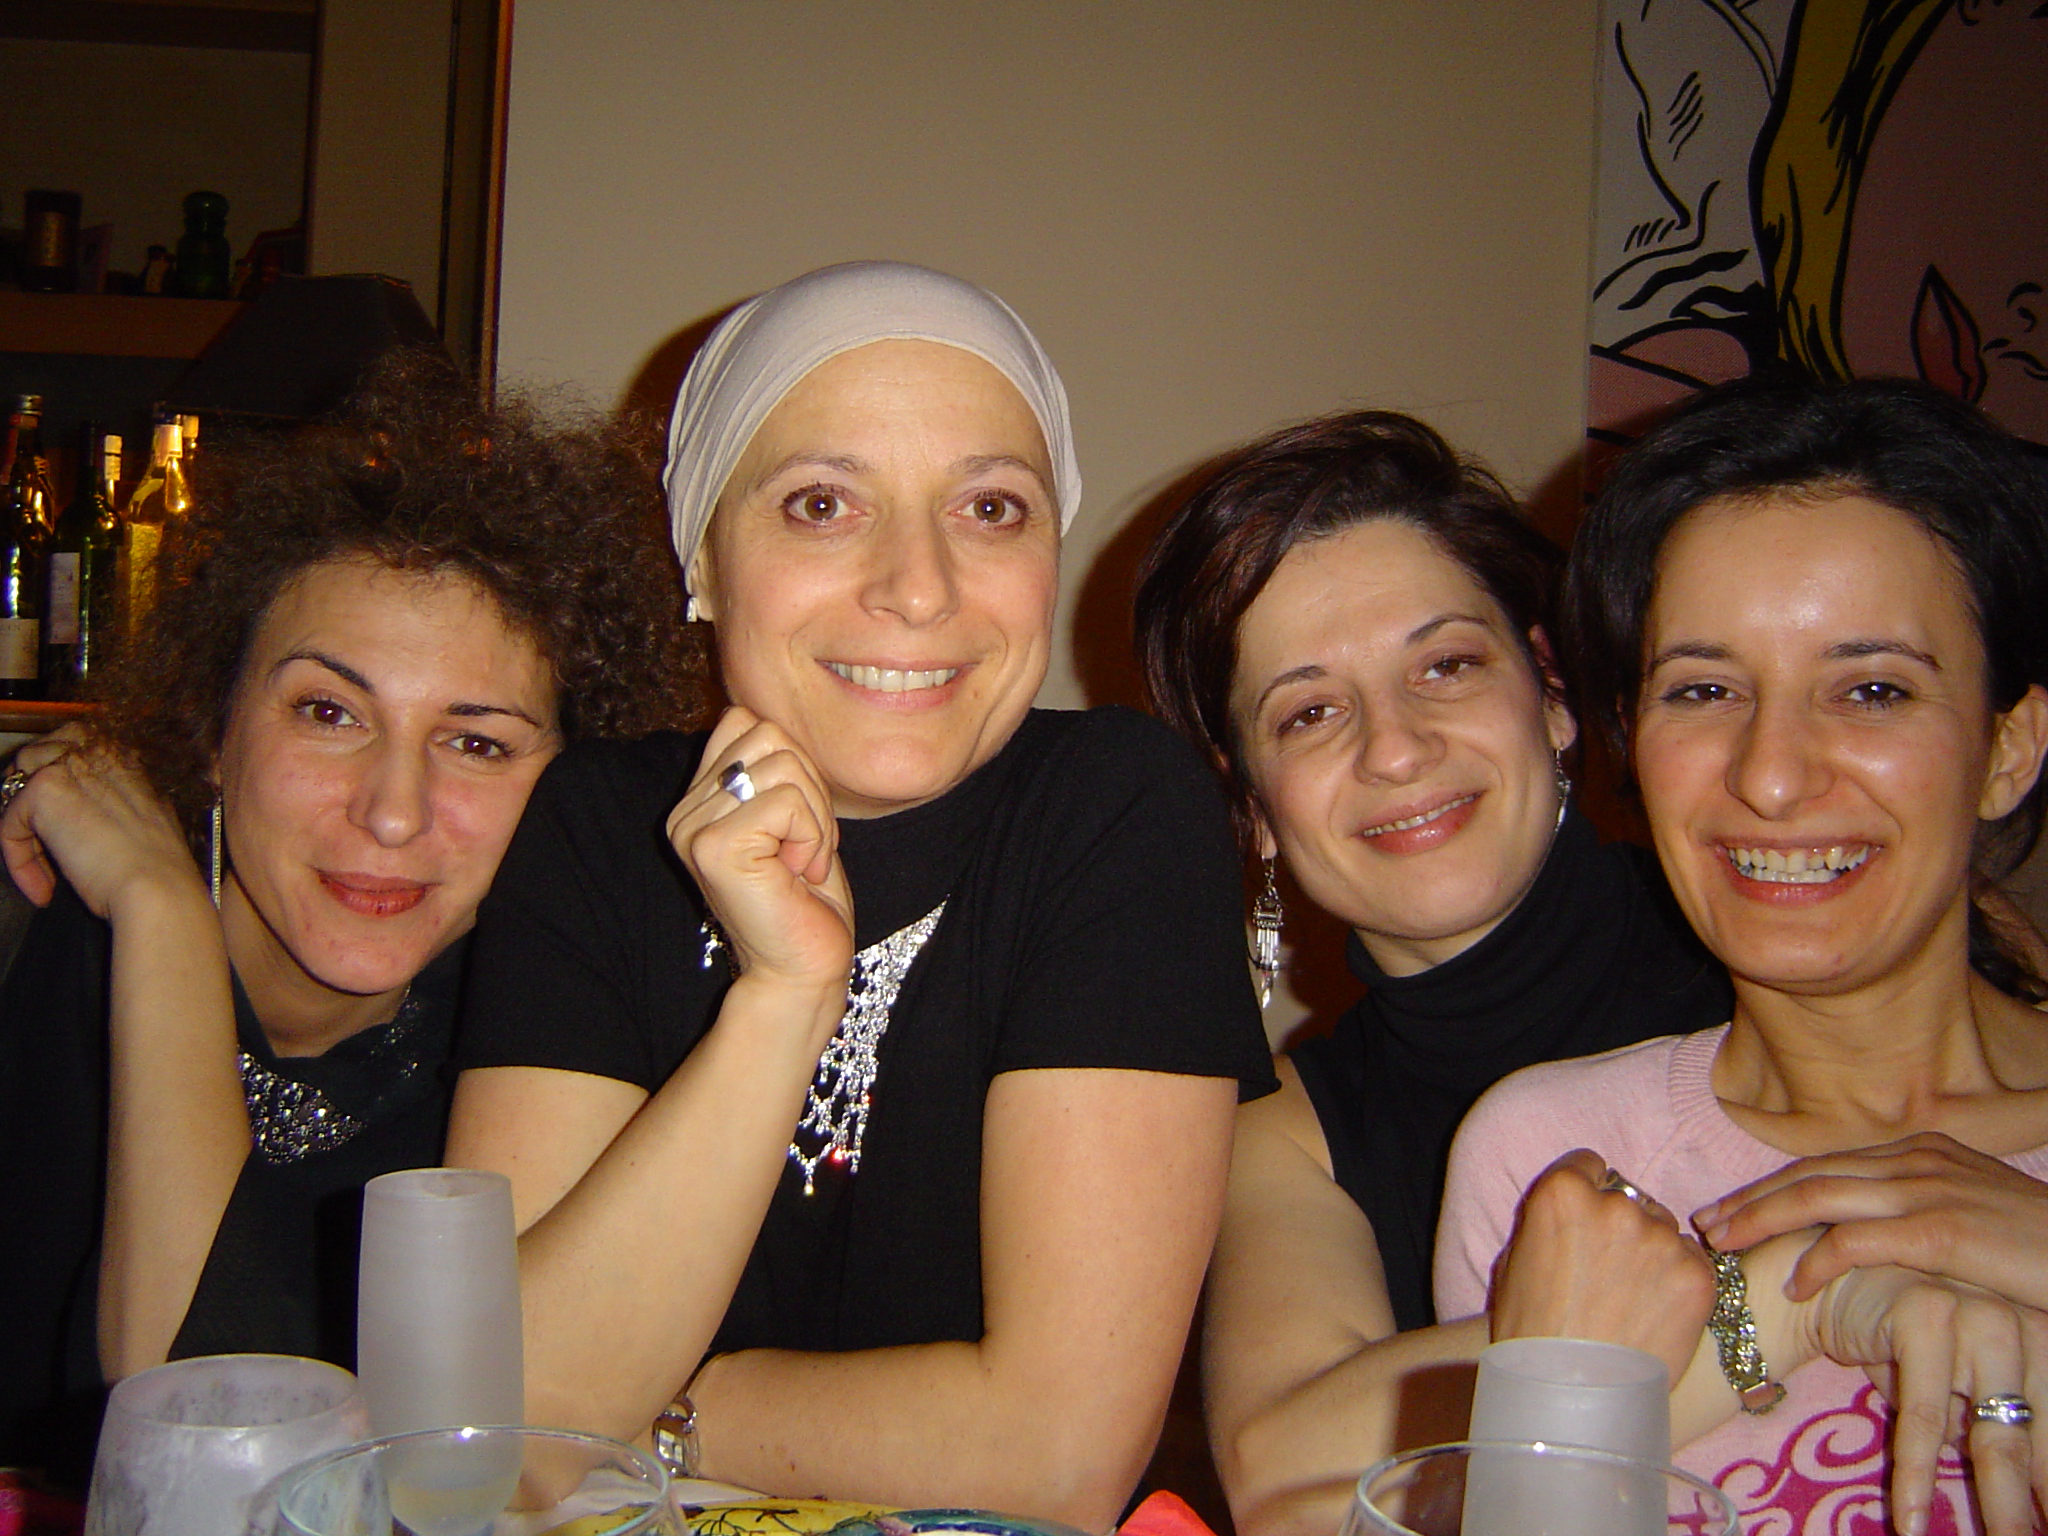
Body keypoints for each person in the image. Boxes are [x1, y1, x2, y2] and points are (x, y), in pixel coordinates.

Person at [444, 260, 1274, 1529]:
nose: (919, 585)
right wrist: (784, 995)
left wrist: (656, 1415)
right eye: (822, 502)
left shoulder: (1118, 809)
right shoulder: (597, 826)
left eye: (991, 508)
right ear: (704, 561)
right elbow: (494, 1431)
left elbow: (1056, 1456)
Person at [0, 362, 698, 1488]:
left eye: (477, 741)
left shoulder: (550, 1055)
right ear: (212, 729)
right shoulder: (32, 925)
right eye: (327, 713)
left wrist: (166, 915)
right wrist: (156, 912)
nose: (391, 809)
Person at [1437, 374, 2048, 1536]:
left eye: (1869, 690)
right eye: (1703, 689)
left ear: (2006, 748)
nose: (1769, 775)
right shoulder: (1561, 1162)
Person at [1131, 410, 1734, 1536]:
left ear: (1548, 690)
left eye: (1445, 664)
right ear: (1253, 809)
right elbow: (1289, 1486)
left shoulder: (1767, 948)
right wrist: (1765, 1314)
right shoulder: (1286, 1130)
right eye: (1308, 712)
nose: (1394, 748)